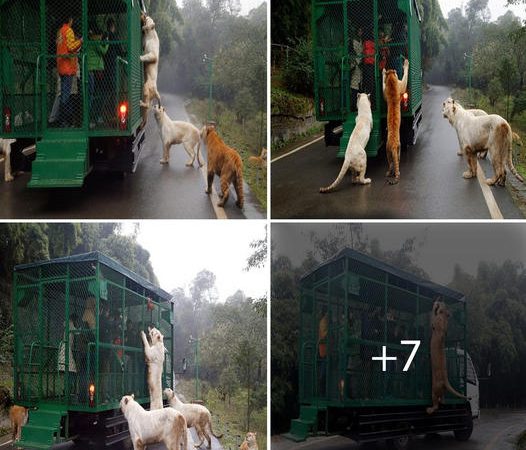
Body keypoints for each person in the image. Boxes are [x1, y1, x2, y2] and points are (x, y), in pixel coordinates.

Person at [56, 16, 82, 127]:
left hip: (61, 66)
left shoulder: (60, 31)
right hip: (68, 67)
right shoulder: (69, 31)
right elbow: (71, 47)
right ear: (70, 19)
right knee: (66, 96)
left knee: (65, 94)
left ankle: (66, 120)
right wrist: (80, 41)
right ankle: (63, 121)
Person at [87, 24, 108, 128]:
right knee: (92, 94)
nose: (101, 37)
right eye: (100, 35)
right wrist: (107, 43)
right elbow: (103, 51)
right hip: (93, 69)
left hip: (89, 69)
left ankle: (91, 118)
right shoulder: (95, 40)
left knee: (91, 93)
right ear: (97, 35)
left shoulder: (88, 40)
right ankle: (90, 119)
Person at [103, 17, 124, 121]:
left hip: (103, 66)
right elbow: (120, 51)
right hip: (112, 66)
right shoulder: (114, 36)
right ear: (113, 26)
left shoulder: (104, 36)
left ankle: (103, 113)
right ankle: (113, 113)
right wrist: (126, 53)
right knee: (113, 90)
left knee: (104, 91)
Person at [350, 27, 363, 111]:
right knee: (354, 85)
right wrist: (358, 61)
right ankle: (353, 106)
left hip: (360, 65)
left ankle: (359, 105)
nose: (361, 32)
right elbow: (354, 54)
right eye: (360, 30)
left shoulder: (360, 40)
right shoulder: (353, 41)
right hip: (355, 65)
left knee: (359, 85)